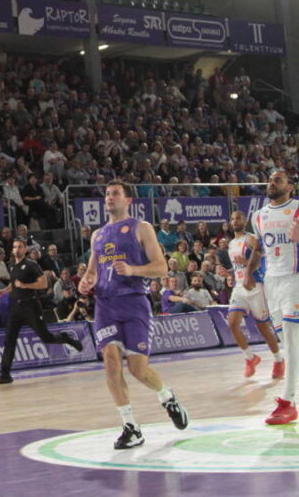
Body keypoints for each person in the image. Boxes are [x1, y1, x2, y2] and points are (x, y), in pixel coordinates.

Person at [78, 181, 188, 449]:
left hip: (134, 303)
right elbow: (93, 272)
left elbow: (161, 268)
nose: (109, 197)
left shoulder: (142, 228)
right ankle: (130, 426)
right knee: (112, 363)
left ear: (128, 200)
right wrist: (86, 281)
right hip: (106, 306)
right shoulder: (98, 235)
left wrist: (132, 270)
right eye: (106, 193)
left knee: (138, 369)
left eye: (115, 193)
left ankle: (167, 396)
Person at [0, 240, 82, 385]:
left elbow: (44, 283)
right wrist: (5, 290)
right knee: (9, 340)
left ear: (25, 249)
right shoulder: (12, 266)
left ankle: (66, 338)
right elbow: (13, 284)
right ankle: (5, 374)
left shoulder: (31, 265)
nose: (17, 249)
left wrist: (25, 285)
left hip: (30, 306)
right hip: (15, 307)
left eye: (20, 247)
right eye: (15, 247)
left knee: (46, 337)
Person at [252, 170, 299, 424]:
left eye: (278, 180)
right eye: (270, 179)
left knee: (291, 343)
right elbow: (260, 248)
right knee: (289, 344)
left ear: (290, 186)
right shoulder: (258, 216)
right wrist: (249, 273)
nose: (271, 183)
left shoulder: (298, 209)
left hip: (295, 279)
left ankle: (289, 402)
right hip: (272, 281)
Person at [226, 210, 283, 379]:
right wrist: (228, 272)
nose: (235, 221)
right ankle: (250, 358)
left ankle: (279, 360)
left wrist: (248, 264)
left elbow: (264, 259)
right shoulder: (230, 244)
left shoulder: (250, 239)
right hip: (239, 287)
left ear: (245, 221)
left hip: (256, 286)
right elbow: (238, 266)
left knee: (263, 327)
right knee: (232, 323)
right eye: (233, 218)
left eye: (239, 218)